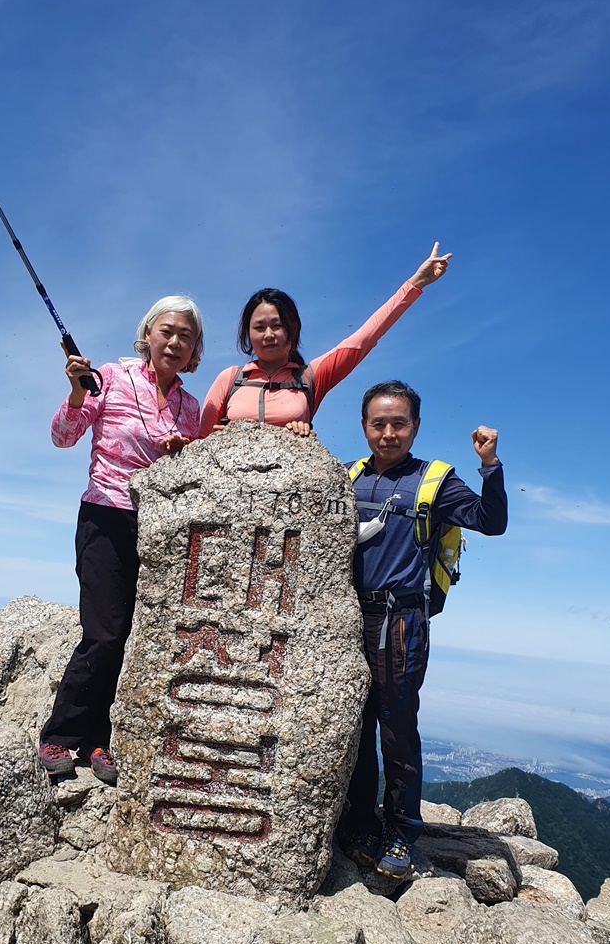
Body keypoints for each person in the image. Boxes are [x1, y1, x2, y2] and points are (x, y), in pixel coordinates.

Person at [341, 380, 508, 879]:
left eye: (399, 423)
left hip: (401, 622)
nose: (388, 433)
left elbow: (490, 521)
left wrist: (489, 465)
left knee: (396, 727)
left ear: (415, 426)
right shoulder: (346, 477)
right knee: (355, 725)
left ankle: (401, 831)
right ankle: (360, 823)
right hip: (346, 618)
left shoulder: (434, 480)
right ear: (364, 426)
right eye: (378, 423)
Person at [38, 296, 203, 782]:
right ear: (147, 334)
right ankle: (60, 734)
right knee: (105, 633)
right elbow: (63, 437)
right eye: (167, 331)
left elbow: (191, 472)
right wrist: (76, 392)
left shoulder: (191, 407)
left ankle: (99, 740)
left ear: (195, 349)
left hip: (159, 529)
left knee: (133, 638)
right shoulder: (110, 377)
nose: (175, 342)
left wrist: (181, 452)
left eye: (186, 336)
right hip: (105, 516)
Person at [198, 244, 451, 438]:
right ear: (248, 333)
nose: (268, 335)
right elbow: (200, 443)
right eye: (259, 327)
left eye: (277, 325)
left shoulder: (310, 377)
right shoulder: (230, 379)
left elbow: (365, 338)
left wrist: (416, 283)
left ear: (293, 329)